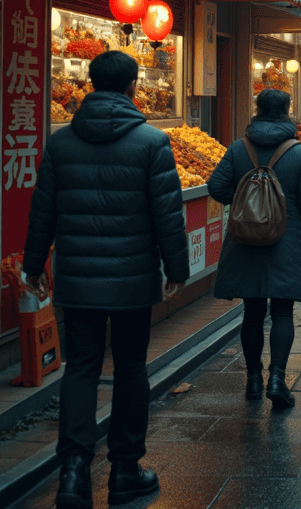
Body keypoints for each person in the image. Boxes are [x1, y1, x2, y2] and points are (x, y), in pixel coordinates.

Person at [22, 49, 189, 509]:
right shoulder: (152, 141)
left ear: (91, 85)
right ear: (134, 86)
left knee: (81, 369)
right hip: (133, 279)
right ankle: (124, 471)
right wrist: (177, 271)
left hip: (77, 279)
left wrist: (32, 267)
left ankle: (74, 473)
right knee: (131, 367)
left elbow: (43, 211)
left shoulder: (60, 142)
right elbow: (167, 215)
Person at [207, 88, 301, 410]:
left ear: (256, 110)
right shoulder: (298, 152)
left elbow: (216, 186)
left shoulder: (238, 148)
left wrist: (245, 205)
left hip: (244, 241)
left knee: (253, 312)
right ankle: (277, 378)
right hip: (284, 241)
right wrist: (285, 205)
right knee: (283, 311)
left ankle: (253, 379)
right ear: (287, 111)